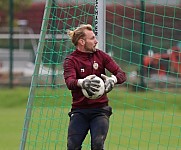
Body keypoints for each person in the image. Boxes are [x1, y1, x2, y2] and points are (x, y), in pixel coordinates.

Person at [63, 24, 126, 150]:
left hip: (100, 110)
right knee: (72, 145)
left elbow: (121, 74)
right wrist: (82, 83)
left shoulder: (101, 56)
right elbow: (70, 82)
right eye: (92, 38)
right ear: (82, 41)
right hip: (79, 110)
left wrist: (112, 80)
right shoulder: (71, 60)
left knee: (97, 144)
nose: (96, 41)